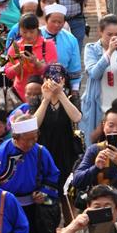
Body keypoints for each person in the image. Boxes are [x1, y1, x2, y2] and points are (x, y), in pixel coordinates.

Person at [31, 69, 82, 207]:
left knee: (67, 191)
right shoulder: (37, 99)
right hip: (44, 148)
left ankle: (69, 221)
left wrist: (61, 94)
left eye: (57, 78)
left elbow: (77, 117)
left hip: (66, 149)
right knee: (46, 191)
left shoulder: (71, 98)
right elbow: (33, 125)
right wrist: (46, 100)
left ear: (64, 80)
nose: (53, 81)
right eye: (49, 77)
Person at [81, 15, 117, 138]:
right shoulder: (91, 49)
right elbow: (94, 73)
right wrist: (109, 51)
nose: (113, 38)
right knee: (97, 148)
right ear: (100, 32)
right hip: (98, 108)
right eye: (109, 34)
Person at [4, 13, 57, 101]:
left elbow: (52, 72)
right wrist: (20, 64)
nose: (28, 35)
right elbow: (9, 74)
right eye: (24, 32)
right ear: (19, 31)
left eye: (32, 32)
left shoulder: (48, 45)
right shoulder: (15, 47)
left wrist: (36, 63)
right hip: (19, 94)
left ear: (37, 30)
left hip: (42, 94)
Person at [40, 4, 81, 95]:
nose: (57, 25)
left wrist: (75, 89)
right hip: (38, 82)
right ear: (46, 20)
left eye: (60, 22)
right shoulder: (37, 34)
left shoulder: (71, 39)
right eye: (53, 21)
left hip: (61, 83)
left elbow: (75, 65)